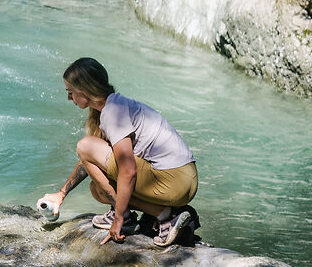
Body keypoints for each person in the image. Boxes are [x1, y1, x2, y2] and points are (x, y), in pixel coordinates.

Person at [38, 57, 201, 247]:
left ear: (85, 91)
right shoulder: (114, 105)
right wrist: (61, 194)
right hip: (183, 179)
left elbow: (128, 170)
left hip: (174, 181)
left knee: (84, 145)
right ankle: (158, 212)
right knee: (98, 190)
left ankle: (161, 216)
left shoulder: (113, 113)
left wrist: (118, 219)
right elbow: (90, 160)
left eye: (70, 92)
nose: (68, 98)